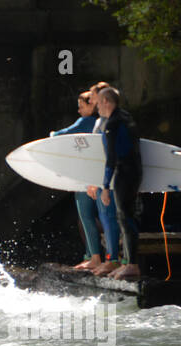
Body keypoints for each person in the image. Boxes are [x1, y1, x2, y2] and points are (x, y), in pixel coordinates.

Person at [90, 87, 142, 280]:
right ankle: (128, 262)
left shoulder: (112, 124)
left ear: (106, 101)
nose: (97, 108)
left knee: (125, 217)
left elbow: (110, 159)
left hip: (124, 173)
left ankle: (132, 264)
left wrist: (104, 187)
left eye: (98, 104)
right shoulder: (126, 117)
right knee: (126, 216)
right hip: (135, 171)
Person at [51, 89, 105, 272]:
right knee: (104, 217)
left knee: (85, 217)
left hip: (86, 178)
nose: (79, 111)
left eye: (81, 106)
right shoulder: (102, 122)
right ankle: (108, 256)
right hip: (102, 177)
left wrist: (52, 134)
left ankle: (92, 256)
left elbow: (62, 134)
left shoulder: (86, 121)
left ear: (91, 105)